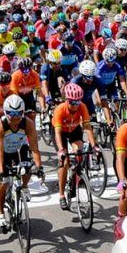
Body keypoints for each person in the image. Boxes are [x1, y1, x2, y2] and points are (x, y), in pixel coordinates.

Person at [0, 94, 43, 232]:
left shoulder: (28, 123)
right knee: (3, 183)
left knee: (29, 167)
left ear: (23, 112)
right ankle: (0, 212)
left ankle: (24, 187)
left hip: (20, 149)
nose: (15, 118)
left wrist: (39, 167)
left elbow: (34, 148)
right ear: (5, 112)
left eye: (18, 113)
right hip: (3, 153)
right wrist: (1, 172)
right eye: (11, 114)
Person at [53, 82, 97, 211]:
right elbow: (57, 132)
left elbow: (87, 127)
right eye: (72, 102)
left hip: (74, 130)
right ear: (67, 100)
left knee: (80, 151)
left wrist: (94, 145)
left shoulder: (82, 107)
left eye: (78, 102)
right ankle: (61, 195)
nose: (75, 105)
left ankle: (76, 174)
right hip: (61, 132)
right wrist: (61, 150)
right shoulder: (60, 109)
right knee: (64, 162)